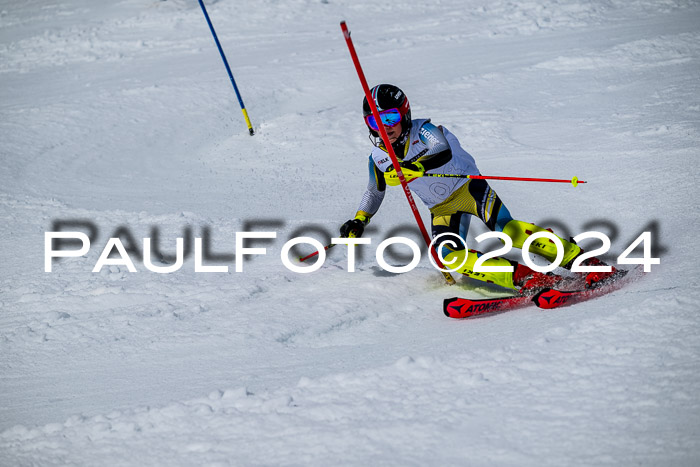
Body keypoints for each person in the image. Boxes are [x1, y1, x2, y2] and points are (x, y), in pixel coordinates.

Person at [339, 84, 614, 293]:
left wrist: (418, 167)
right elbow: (375, 191)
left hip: (469, 188)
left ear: (405, 115)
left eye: (389, 118)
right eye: (375, 122)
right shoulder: (378, 158)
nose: (384, 129)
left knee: (508, 231)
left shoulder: (424, 130)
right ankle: (526, 277)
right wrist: (359, 220)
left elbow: (441, 150)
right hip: (441, 209)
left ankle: (584, 261)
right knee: (451, 257)